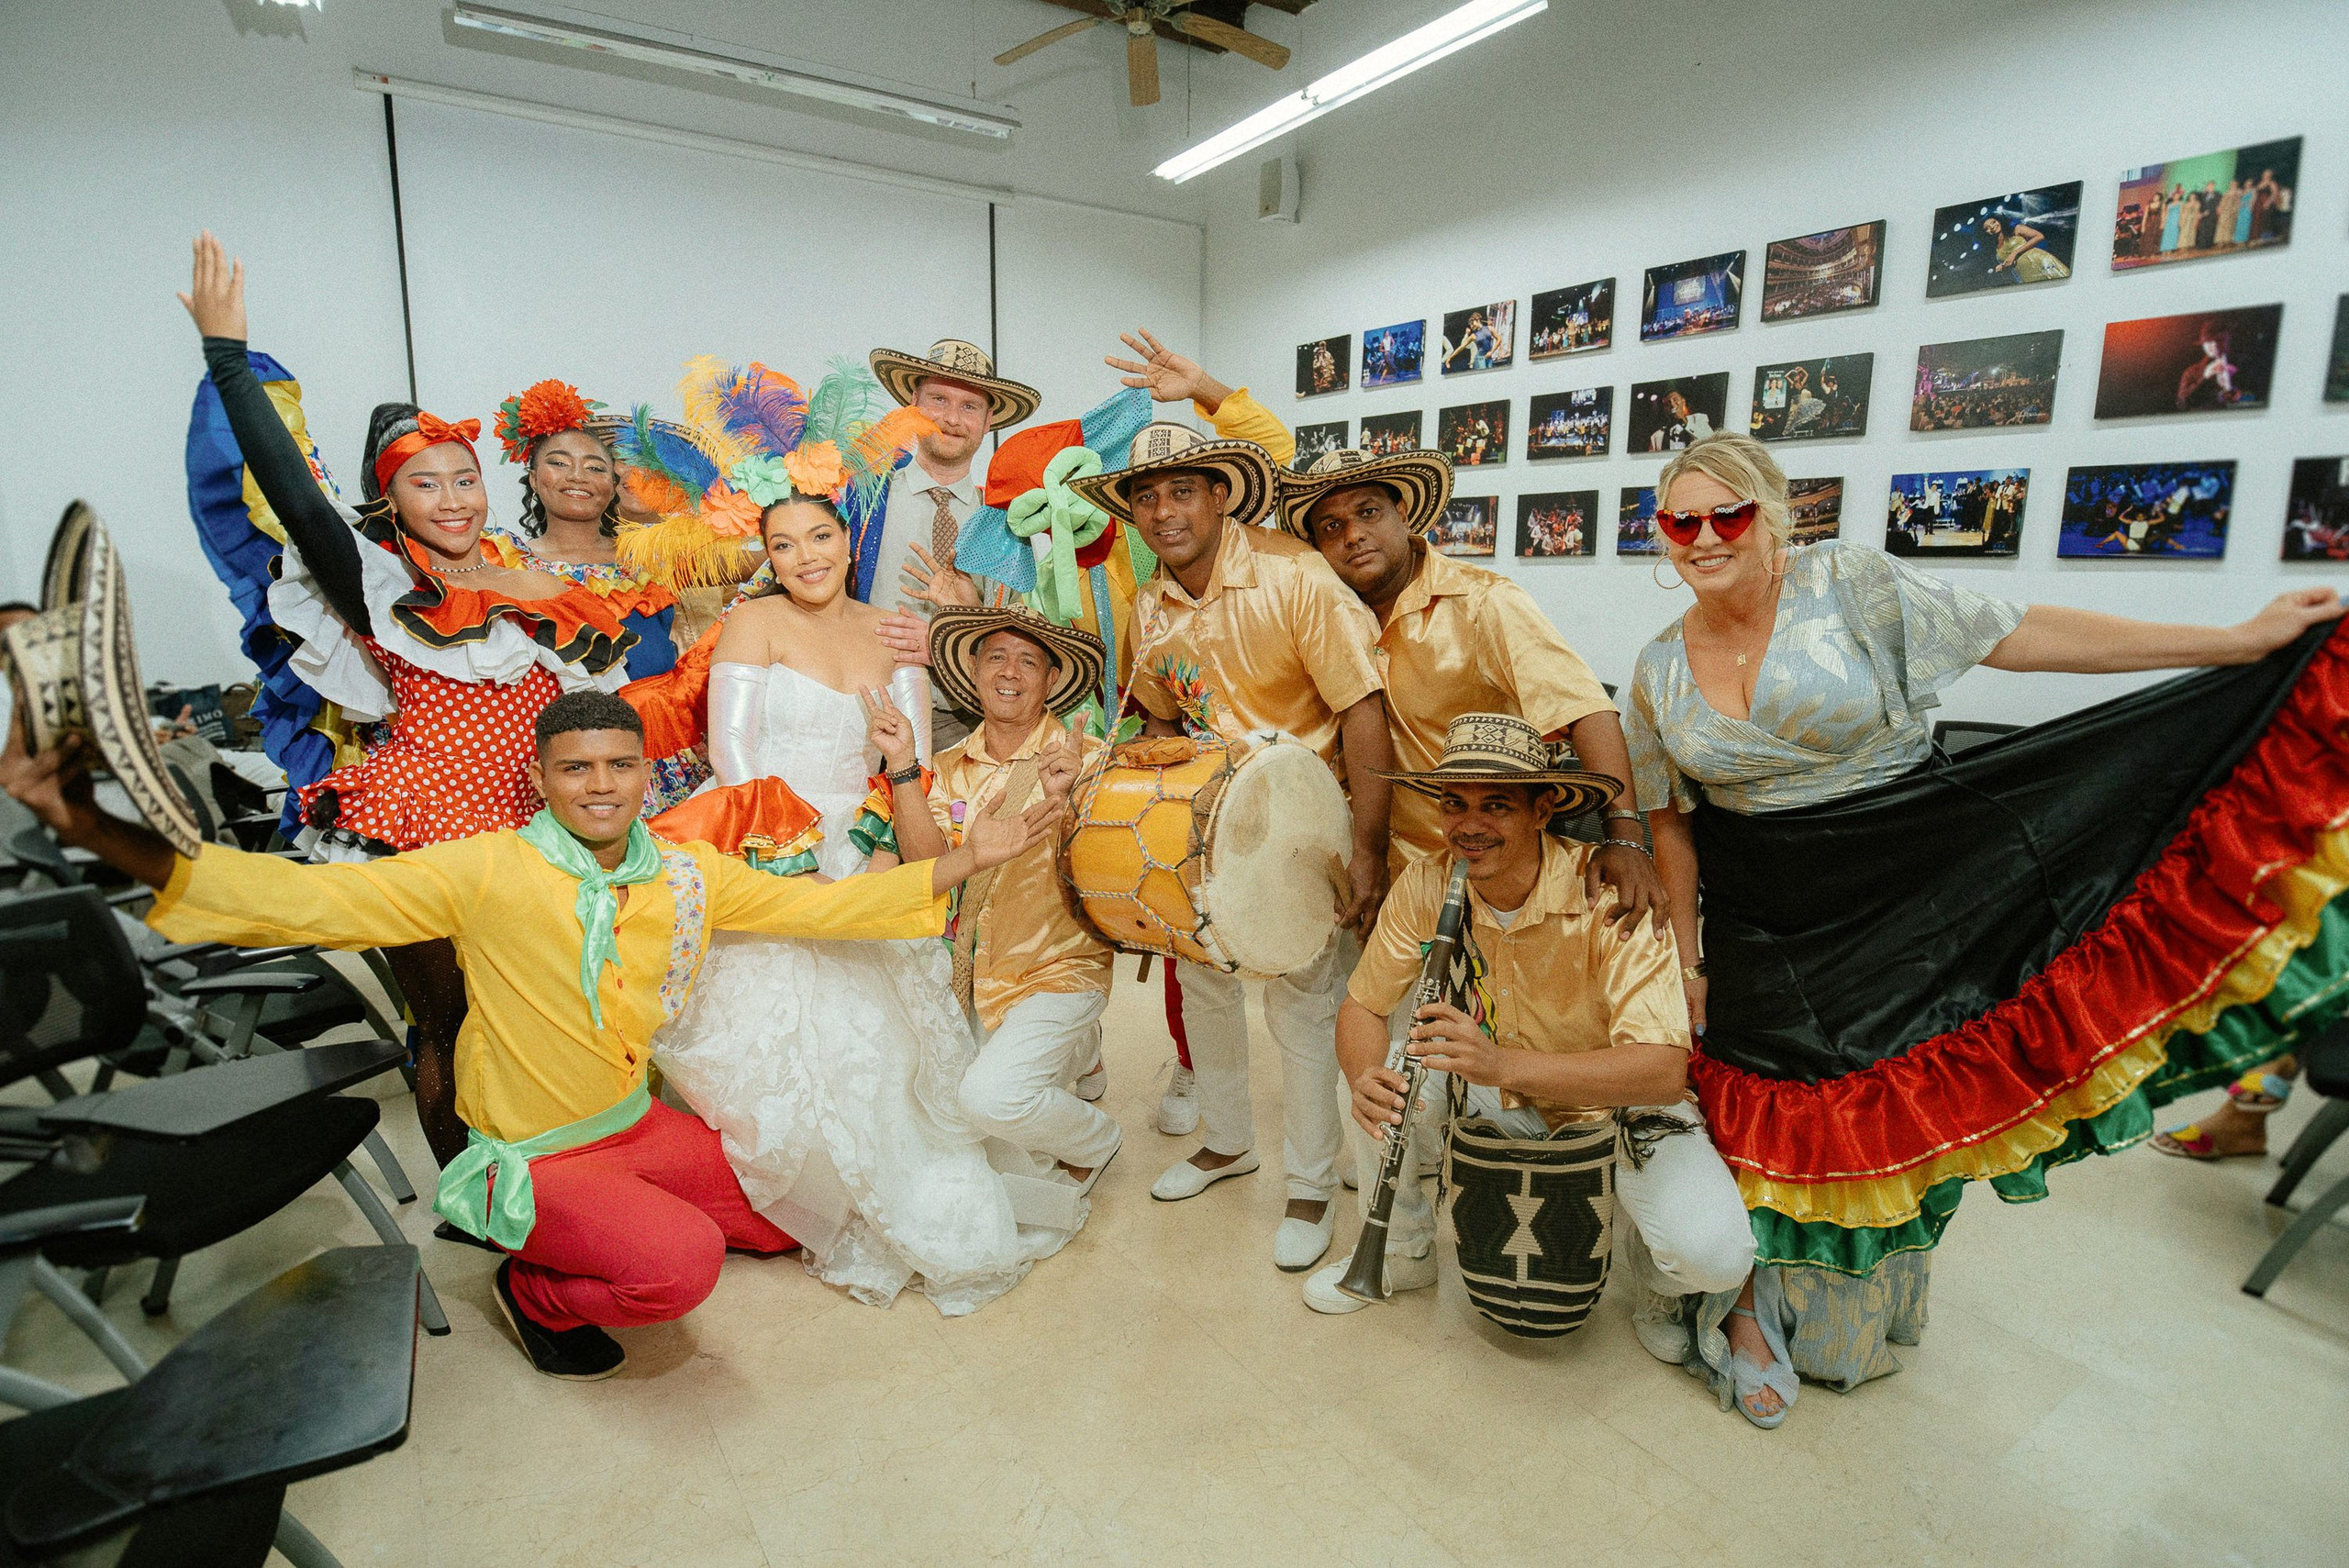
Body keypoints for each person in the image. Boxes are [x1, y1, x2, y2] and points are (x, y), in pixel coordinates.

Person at [1621, 431, 2345, 1429]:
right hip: (1762, 910)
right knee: (1758, 1101)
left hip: (1909, 875)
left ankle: (1852, 1313)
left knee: (1892, 1089)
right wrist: (1687, 957)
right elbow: (1670, 822)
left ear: (1771, 516)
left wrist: (2231, 641)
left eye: (1725, 514)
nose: (1702, 537)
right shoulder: (1655, 669)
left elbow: (2015, 633)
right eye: (1679, 521)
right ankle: (1747, 1312)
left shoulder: (1853, 583)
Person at [0, 689, 1042, 1378]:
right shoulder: (485, 866)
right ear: (542, 776)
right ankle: (532, 1283)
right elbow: (300, 903)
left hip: (632, 1121)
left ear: (646, 774)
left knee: (785, 1214)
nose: (601, 785)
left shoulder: (683, 870)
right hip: (539, 1148)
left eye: (620, 765)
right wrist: (96, 829)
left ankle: (617, 1213)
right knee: (679, 1271)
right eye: (577, 767)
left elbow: (826, 910)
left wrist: (966, 858)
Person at [180, 232, 635, 1168]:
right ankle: (478, 1206)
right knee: (450, 1019)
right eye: (424, 483)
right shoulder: (383, 591)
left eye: (464, 477)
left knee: (539, 1011)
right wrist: (227, 359)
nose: (454, 497)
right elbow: (296, 501)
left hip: (530, 820)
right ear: (391, 503)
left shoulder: (528, 582)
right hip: (425, 823)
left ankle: (549, 1178)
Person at [648, 440, 1082, 1316]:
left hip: (869, 843)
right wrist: (795, 870)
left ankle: (890, 1192)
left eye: (819, 537)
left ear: (849, 540)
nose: (805, 557)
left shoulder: (892, 631)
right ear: (766, 556)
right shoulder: (753, 623)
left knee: (886, 1048)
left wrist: (882, 848)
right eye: (783, 544)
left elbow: (905, 761)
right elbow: (733, 765)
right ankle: (782, 1203)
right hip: (766, 844)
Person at [1275, 444, 1675, 1304]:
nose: (1352, 537)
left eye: (1369, 513)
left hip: (1517, 859)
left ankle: (1620, 1218)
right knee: (1392, 1067)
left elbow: (1584, 706)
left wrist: (1628, 834)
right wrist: (1373, 856)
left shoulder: (1485, 602)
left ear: (1408, 514)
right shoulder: (1328, 613)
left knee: (1534, 1048)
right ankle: (1404, 1241)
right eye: (1330, 526)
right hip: (1418, 879)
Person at [1067, 420, 1395, 1272]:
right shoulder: (1149, 602)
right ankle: (1227, 1141)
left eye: (1183, 490)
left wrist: (1366, 850)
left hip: (1306, 831)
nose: (1163, 510)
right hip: (1205, 840)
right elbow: (1163, 723)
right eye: (1146, 496)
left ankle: (1313, 1184)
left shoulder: (1298, 576)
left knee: (1303, 1010)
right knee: (1203, 988)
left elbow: (1364, 708)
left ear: (1221, 495)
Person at [1322, 715, 1756, 1330]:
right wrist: (1367, 1073)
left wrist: (1502, 1062)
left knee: (1716, 1255)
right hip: (1493, 1090)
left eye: (1496, 805)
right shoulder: (1427, 880)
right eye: (1455, 803)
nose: (1468, 827)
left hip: (1616, 1110)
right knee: (1380, 1078)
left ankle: (1656, 1275)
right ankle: (1402, 1248)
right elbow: (1362, 1005)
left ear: (1544, 808)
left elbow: (1662, 1071)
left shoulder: (1613, 892)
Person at [880, 607, 1122, 1195]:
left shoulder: (1087, 758)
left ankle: (1098, 1139)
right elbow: (925, 868)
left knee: (989, 1101)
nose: (1010, 672)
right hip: (975, 976)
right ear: (975, 671)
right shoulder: (944, 766)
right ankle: (1081, 1053)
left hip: (1060, 969)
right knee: (934, 1120)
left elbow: (1119, 872)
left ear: (1050, 682)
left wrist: (1072, 802)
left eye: (1028, 660)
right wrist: (903, 768)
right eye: (997, 656)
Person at [863, 339, 1043, 751]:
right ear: (913, 403)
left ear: (988, 419)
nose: (951, 418)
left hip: (960, 721)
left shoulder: (1006, 524)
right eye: (938, 399)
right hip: (865, 708)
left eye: (969, 406)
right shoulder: (865, 499)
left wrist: (947, 640)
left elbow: (1014, 640)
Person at [1983, 215, 2068, 284]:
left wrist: (2015, 253)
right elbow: (2009, 263)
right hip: (2022, 274)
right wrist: (2002, 267)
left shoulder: (2016, 229)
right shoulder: (1995, 249)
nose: (1992, 227)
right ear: (1985, 233)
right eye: (1987, 228)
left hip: (2038, 262)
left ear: (1999, 221)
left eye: (1993, 222)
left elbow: (2039, 236)